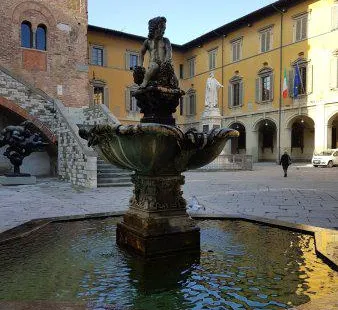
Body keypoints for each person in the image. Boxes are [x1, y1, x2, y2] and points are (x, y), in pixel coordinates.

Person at [138, 16, 177, 88]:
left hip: (164, 64)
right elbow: (141, 53)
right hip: (153, 63)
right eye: (162, 27)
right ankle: (144, 82)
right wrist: (140, 65)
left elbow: (169, 51)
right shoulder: (148, 41)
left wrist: (166, 61)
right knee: (154, 67)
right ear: (154, 28)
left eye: (164, 28)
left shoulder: (166, 40)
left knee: (175, 80)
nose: (163, 30)